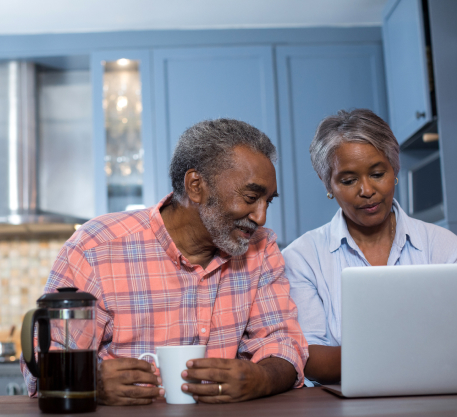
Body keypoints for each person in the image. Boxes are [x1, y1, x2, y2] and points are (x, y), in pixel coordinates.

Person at [21, 119, 308, 404]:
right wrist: (89, 381)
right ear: (196, 186)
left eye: (268, 201)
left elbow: (284, 344)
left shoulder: (261, 247)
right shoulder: (96, 247)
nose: (261, 217)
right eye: (251, 197)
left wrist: (262, 379)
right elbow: (41, 361)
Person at [282, 109, 457, 385]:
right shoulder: (303, 258)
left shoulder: (441, 245)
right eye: (348, 180)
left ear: (394, 170)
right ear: (328, 185)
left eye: (377, 173)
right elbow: (310, 358)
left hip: (435, 395)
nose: (366, 190)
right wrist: (414, 352)